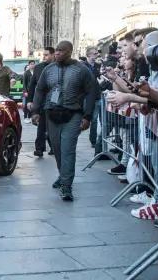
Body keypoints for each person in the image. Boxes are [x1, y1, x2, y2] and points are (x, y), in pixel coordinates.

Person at [31, 41, 95, 201]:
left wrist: (87, 116)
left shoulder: (81, 70)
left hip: (73, 114)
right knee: (58, 149)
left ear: (70, 52)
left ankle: (66, 186)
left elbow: (91, 92)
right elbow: (39, 90)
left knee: (68, 149)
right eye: (57, 50)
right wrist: (35, 111)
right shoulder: (48, 69)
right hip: (52, 114)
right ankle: (62, 175)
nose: (57, 53)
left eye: (61, 50)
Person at [28, 46, 55, 157]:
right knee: (41, 126)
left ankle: (53, 147)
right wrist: (30, 101)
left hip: (54, 102)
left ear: (53, 55)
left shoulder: (58, 67)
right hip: (41, 101)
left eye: (46, 55)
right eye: (43, 55)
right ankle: (39, 148)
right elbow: (32, 85)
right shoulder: (38, 68)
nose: (43, 57)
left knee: (52, 126)